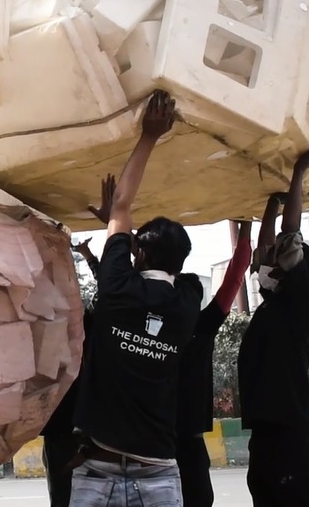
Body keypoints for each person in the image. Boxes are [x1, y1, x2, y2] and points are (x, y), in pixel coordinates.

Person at [69, 90, 204, 507]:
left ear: (137, 253)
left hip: (98, 471)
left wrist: (148, 136)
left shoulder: (117, 289)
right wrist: (118, 229)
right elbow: (125, 216)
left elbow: (123, 205)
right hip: (160, 473)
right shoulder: (187, 299)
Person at [237, 141, 309, 507]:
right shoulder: (275, 300)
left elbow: (288, 235)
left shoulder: (300, 304)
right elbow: (266, 247)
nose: (268, 259)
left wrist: (299, 173)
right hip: (268, 426)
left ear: (291, 269)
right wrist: (270, 204)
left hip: (287, 428)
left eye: (279, 255)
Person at [41, 176, 115, 507]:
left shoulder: (82, 323)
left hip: (78, 431)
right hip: (69, 430)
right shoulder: (57, 323)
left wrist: (89, 258)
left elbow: (111, 292)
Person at [176, 220, 253, 507]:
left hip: (154, 440)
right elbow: (235, 276)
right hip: (191, 439)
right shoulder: (204, 323)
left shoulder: (156, 324)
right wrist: (245, 226)